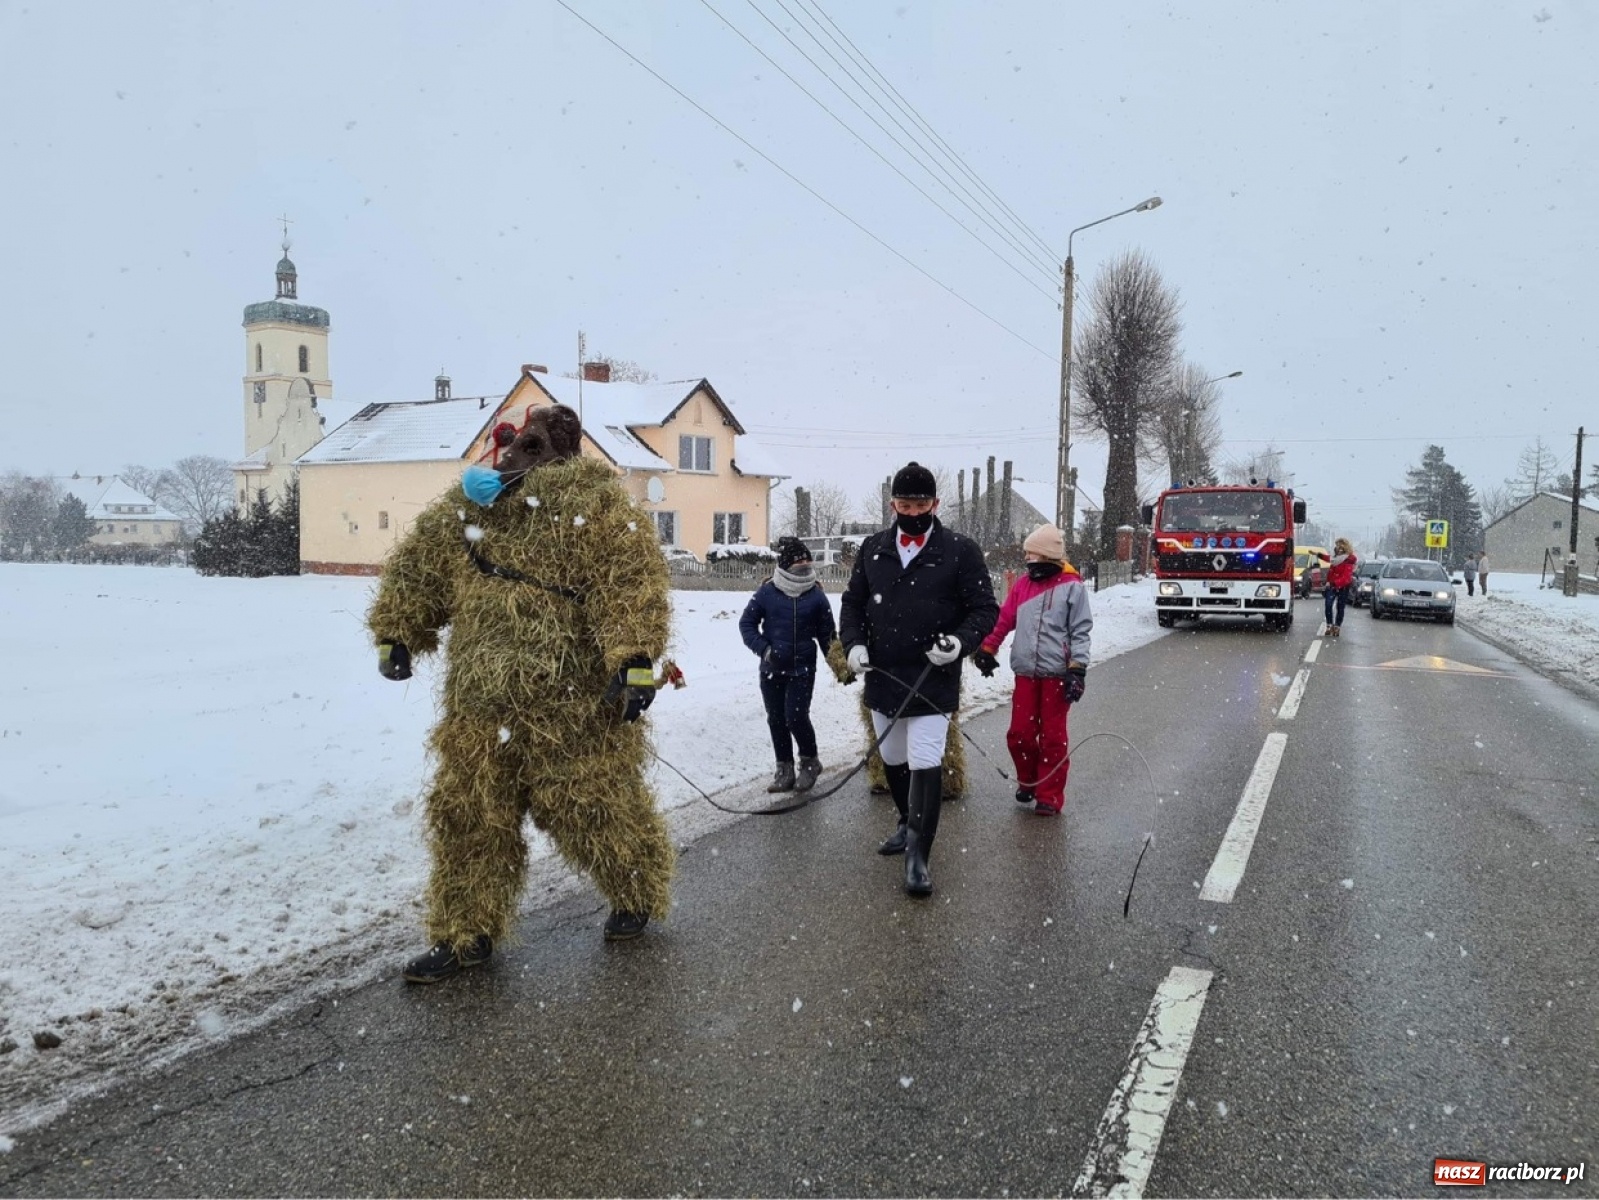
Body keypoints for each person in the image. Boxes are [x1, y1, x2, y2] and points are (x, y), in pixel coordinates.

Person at [368, 404, 676, 983]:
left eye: (530, 446)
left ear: (562, 455)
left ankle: (635, 889)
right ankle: (466, 933)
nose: (511, 455)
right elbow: (418, 571)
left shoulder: (595, 509)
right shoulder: (466, 513)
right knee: (469, 816)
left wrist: (635, 660)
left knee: (590, 807)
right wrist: (398, 631)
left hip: (570, 706)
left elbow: (629, 583)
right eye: (508, 442)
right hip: (478, 708)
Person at [839, 462, 998, 897]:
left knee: (925, 758)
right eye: (905, 504)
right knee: (892, 757)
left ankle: (918, 856)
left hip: (933, 676)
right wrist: (853, 645)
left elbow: (985, 609)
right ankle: (907, 821)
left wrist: (959, 643)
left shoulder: (961, 551)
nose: (912, 512)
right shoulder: (873, 548)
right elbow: (851, 605)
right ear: (893, 504)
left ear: (936, 504)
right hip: (884, 676)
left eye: (921, 504)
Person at [970, 524, 1091, 816]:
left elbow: (1080, 630)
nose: (1027, 560)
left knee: (1052, 738)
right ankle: (1029, 780)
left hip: (1056, 676)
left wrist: (1077, 669)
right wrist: (988, 648)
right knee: (1019, 734)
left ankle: (1049, 795)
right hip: (1025, 673)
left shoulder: (1072, 587)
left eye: (1032, 555)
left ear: (1048, 557)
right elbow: (1003, 619)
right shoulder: (1022, 585)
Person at [740, 537, 851, 793]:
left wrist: (840, 667)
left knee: (796, 716)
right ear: (786, 564)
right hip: (771, 668)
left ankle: (810, 762)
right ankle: (784, 768)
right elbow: (746, 625)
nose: (804, 564)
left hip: (802, 669)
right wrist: (765, 650)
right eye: (798, 560)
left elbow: (827, 637)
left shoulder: (817, 596)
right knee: (776, 719)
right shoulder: (767, 593)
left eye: (806, 559)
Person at [1319, 537, 1358, 637]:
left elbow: (1346, 577)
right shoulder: (1336, 558)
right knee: (1328, 605)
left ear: (1344, 548)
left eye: (1339, 546)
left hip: (1342, 587)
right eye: (1336, 546)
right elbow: (1329, 559)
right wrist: (1319, 555)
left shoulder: (1348, 560)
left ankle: (1337, 626)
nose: (1337, 548)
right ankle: (1329, 625)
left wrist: (1334, 583)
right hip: (1331, 585)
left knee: (1340, 607)